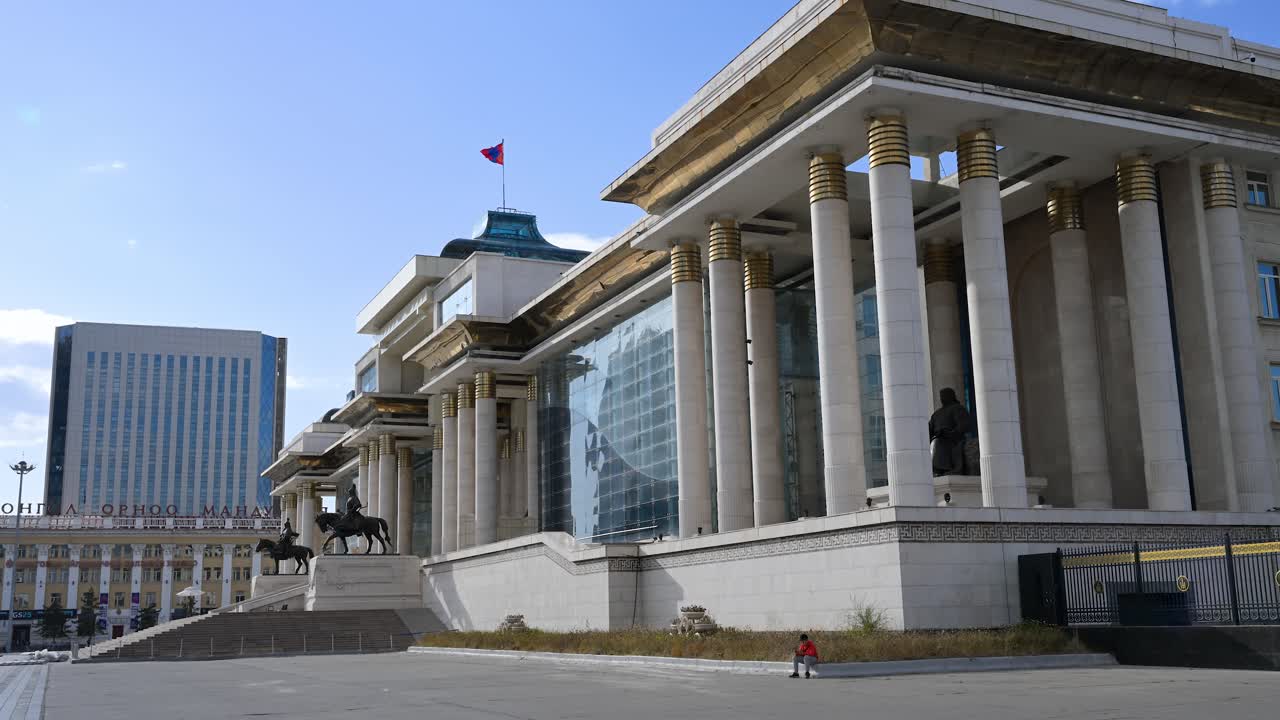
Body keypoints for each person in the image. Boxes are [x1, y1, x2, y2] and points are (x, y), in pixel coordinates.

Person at [928, 387, 975, 476]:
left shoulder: (958, 408)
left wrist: (951, 433)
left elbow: (964, 425)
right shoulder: (936, 414)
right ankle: (936, 469)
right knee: (935, 442)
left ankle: (944, 468)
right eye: (942, 396)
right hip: (939, 438)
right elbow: (930, 430)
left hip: (954, 439)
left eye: (945, 396)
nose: (942, 398)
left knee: (938, 443)